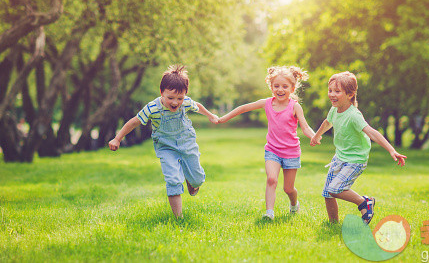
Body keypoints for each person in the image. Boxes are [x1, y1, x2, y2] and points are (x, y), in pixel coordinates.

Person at [108, 65, 218, 218]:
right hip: (166, 147)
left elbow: (197, 106)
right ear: (161, 93)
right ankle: (178, 218)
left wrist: (210, 115)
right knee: (173, 180)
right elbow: (134, 122)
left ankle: (190, 180)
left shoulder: (185, 102)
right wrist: (117, 138)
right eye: (170, 98)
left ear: (185, 94)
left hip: (187, 143)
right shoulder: (152, 108)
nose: (175, 102)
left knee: (198, 178)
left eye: (180, 98)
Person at [218, 66, 316, 220]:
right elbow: (244, 108)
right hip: (272, 150)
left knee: (288, 189)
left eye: (284, 86)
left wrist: (313, 136)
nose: (280, 89)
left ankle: (294, 204)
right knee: (271, 179)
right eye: (276, 86)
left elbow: (304, 127)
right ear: (271, 87)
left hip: (291, 152)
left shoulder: (295, 106)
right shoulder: (267, 103)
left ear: (292, 88)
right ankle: (269, 213)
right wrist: (223, 118)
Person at [310, 71, 406, 224]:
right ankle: (333, 224)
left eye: (337, 91)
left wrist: (391, 150)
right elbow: (327, 122)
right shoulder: (334, 110)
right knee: (327, 193)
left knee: (334, 189)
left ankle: (364, 203)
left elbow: (372, 133)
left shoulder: (354, 115)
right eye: (330, 90)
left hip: (355, 160)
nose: (332, 94)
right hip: (340, 157)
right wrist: (317, 135)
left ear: (350, 94)